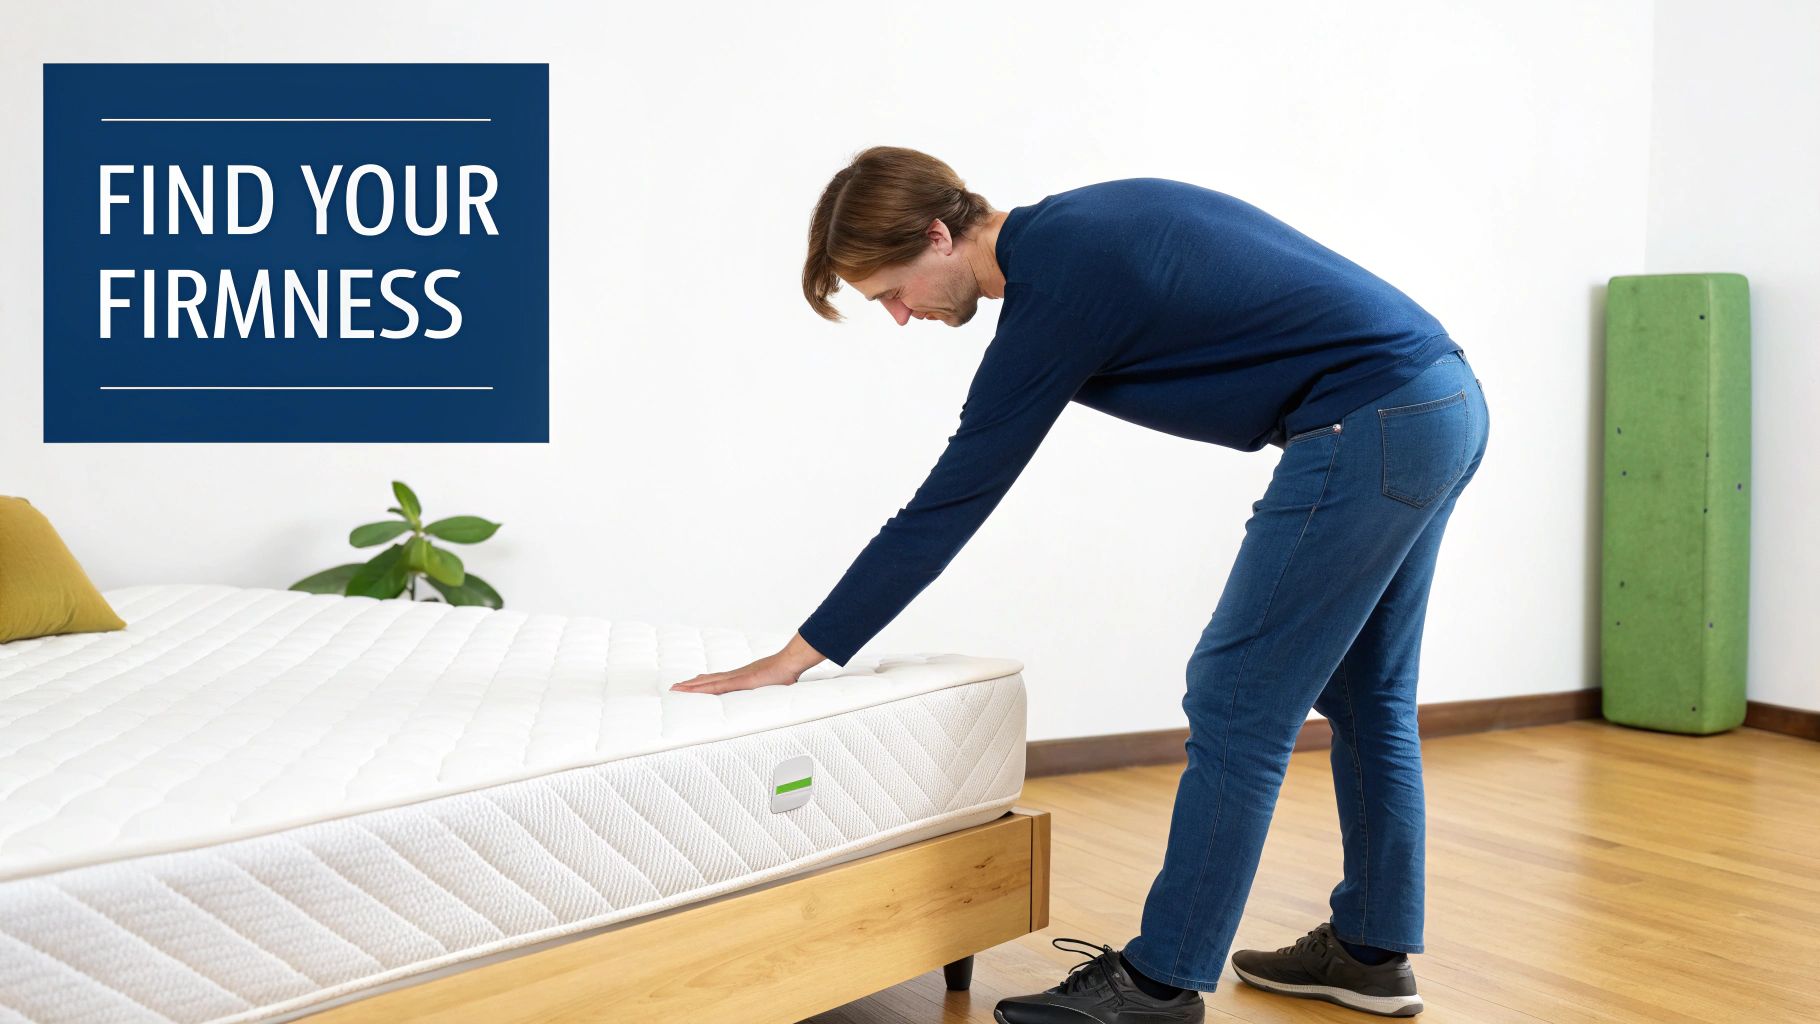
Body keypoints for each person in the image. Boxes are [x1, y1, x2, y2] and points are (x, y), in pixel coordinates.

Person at [670, 146, 1490, 1023]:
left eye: (892, 292)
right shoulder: (1070, 234)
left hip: (1373, 418)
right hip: (1439, 403)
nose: (901, 316)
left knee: (1238, 698)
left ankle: (1160, 983)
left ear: (941, 234)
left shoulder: (1057, 286)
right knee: (1367, 695)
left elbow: (950, 501)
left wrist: (795, 657)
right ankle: (1368, 951)